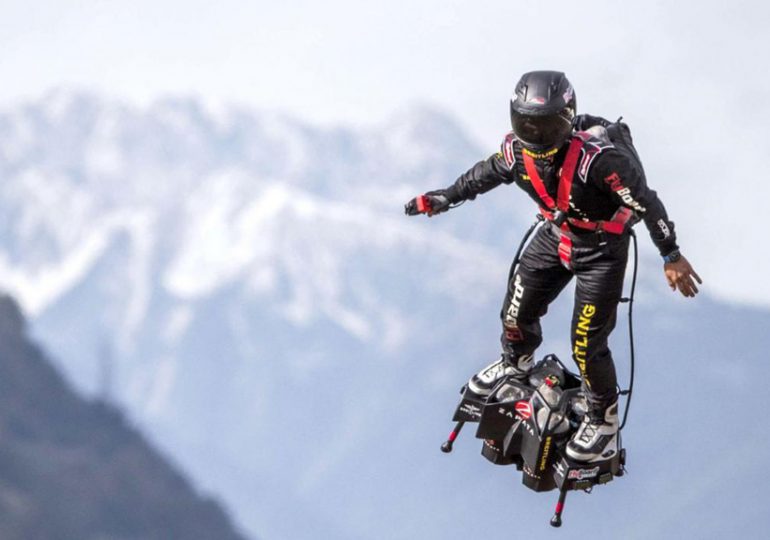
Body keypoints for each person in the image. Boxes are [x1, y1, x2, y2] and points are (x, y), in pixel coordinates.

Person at [405, 70, 701, 462]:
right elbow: (482, 175)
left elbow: (647, 203)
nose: (535, 133)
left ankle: (603, 419)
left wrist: (671, 255)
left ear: (567, 118)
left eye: (544, 124)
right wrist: (442, 197)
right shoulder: (516, 153)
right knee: (515, 310)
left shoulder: (601, 162)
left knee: (587, 344)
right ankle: (516, 363)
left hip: (602, 250)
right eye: (525, 121)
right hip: (556, 236)